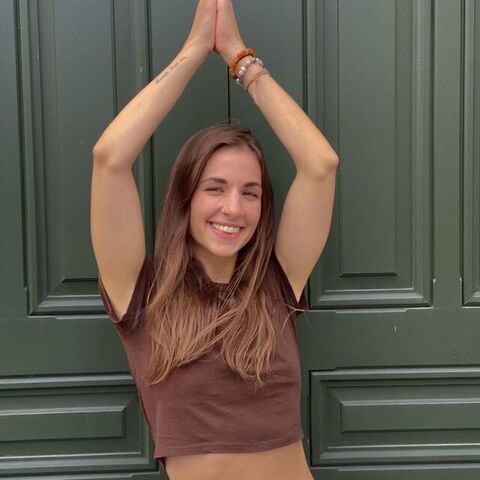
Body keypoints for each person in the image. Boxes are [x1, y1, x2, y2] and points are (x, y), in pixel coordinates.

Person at [90, 1, 338, 479]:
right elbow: (109, 157)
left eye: (251, 193)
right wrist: (195, 49)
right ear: (186, 197)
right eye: (215, 188)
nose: (233, 208)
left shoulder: (276, 284)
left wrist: (240, 58)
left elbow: (321, 165)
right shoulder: (141, 294)